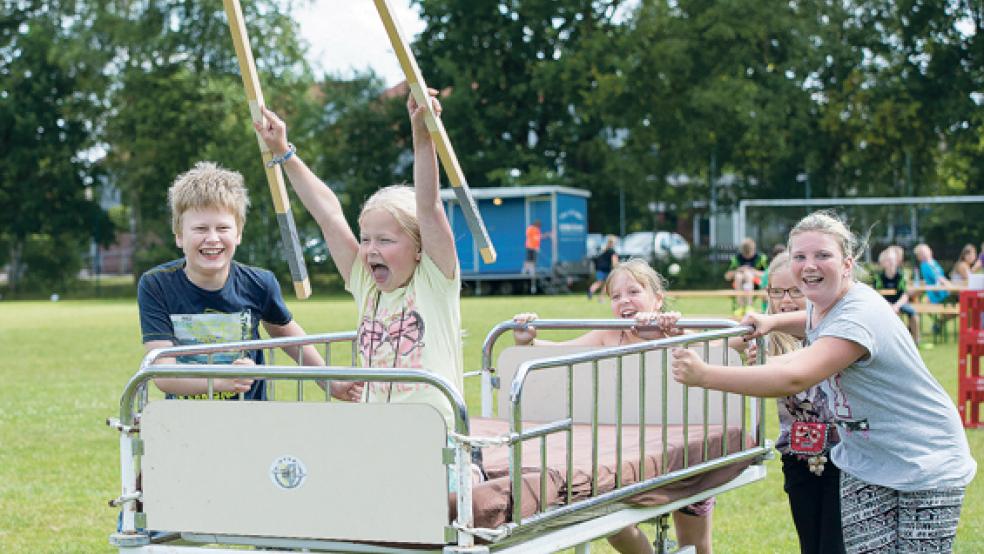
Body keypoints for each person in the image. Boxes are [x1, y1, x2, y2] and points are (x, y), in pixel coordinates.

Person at [672, 211, 976, 553]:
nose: (809, 265)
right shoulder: (827, 304)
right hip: (865, 460)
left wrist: (706, 376)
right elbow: (810, 325)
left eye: (822, 255)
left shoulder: (858, 315)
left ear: (847, 263)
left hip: (924, 460)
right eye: (800, 256)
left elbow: (795, 374)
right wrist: (772, 322)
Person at [254, 91, 473, 472]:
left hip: (438, 443)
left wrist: (422, 136)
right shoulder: (367, 285)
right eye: (367, 238)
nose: (369, 249)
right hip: (379, 440)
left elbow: (429, 207)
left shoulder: (434, 282)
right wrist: (285, 152)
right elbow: (328, 215)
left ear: (419, 247)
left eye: (385, 240)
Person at [512, 258, 714, 554]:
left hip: (680, 444)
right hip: (627, 446)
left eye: (633, 292)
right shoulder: (609, 335)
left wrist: (679, 334)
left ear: (657, 300)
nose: (624, 301)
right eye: (615, 296)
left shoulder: (674, 331)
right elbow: (561, 353)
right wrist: (529, 342)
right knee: (610, 523)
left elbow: (715, 347)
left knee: (696, 544)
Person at [137, 161, 358, 401]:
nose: (212, 238)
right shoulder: (156, 285)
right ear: (179, 236)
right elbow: (163, 373)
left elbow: (289, 337)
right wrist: (222, 381)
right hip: (186, 423)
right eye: (200, 228)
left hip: (249, 420)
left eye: (223, 228)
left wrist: (331, 383)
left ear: (238, 233)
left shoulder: (259, 283)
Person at [759, 252, 845, 554]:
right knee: (811, 545)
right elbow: (719, 341)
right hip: (798, 456)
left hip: (845, 456)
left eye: (795, 290)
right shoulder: (765, 335)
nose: (785, 300)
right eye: (777, 291)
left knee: (835, 546)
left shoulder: (835, 332)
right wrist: (669, 327)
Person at [872, 247, 921, 347]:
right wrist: (889, 306)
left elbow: (905, 295)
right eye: (888, 260)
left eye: (893, 260)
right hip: (884, 304)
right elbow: (877, 295)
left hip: (899, 303)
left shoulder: (901, 276)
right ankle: (892, 342)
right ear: (883, 263)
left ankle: (915, 342)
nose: (891, 262)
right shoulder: (878, 277)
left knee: (914, 315)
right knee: (892, 316)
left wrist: (897, 306)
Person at [724, 237, 768, 316]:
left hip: (756, 283)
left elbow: (767, 274)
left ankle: (749, 305)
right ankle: (741, 307)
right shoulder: (737, 258)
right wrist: (739, 270)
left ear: (753, 250)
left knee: (748, 274)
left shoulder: (761, 258)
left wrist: (753, 271)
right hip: (739, 282)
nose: (747, 256)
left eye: (749, 254)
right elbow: (727, 276)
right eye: (745, 254)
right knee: (738, 276)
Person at [587, 234, 618, 301]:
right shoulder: (612, 251)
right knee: (606, 284)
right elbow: (614, 262)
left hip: (599, 269)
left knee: (599, 282)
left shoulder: (603, 250)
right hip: (607, 270)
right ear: (613, 243)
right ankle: (601, 298)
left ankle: (591, 290)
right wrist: (616, 268)